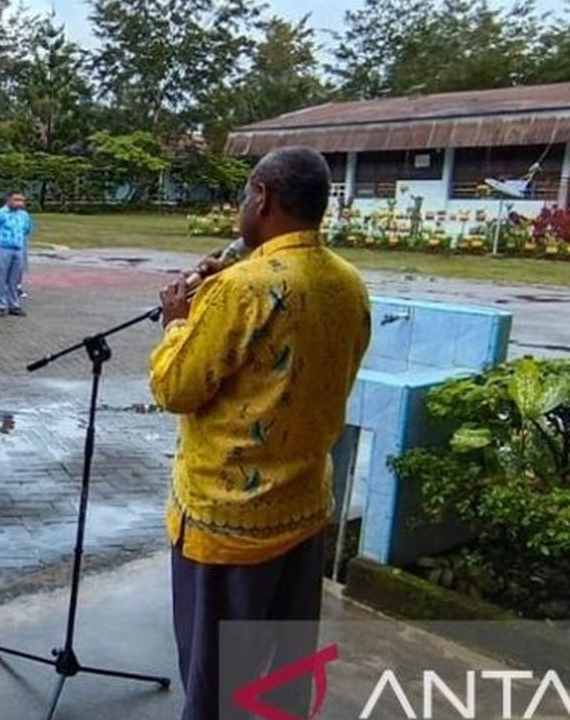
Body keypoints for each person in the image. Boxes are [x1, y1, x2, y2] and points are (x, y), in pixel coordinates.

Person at [149, 147, 371, 720]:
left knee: (218, 681)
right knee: (282, 672)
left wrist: (178, 322)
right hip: (301, 511)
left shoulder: (238, 290)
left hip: (229, 522)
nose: (241, 207)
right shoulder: (348, 282)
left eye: (245, 195)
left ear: (263, 197)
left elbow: (175, 387)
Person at [0, 192, 33, 317]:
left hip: (18, 248)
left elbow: (27, 229)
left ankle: (14, 304)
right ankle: (2, 306)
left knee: (15, 279)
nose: (19, 202)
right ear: (8, 200)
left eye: (21, 200)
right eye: (16, 199)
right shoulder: (0, 214)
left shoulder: (24, 215)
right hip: (3, 248)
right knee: (2, 278)